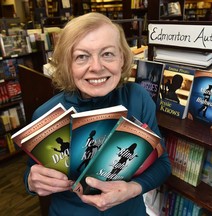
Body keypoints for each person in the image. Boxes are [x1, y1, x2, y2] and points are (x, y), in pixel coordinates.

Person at [24, 12, 171, 216]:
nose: (96, 67)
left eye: (107, 54)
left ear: (122, 58)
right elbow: (33, 172)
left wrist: (132, 189)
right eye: (82, 57)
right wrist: (31, 182)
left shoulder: (138, 98)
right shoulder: (47, 114)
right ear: (68, 65)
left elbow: (162, 163)